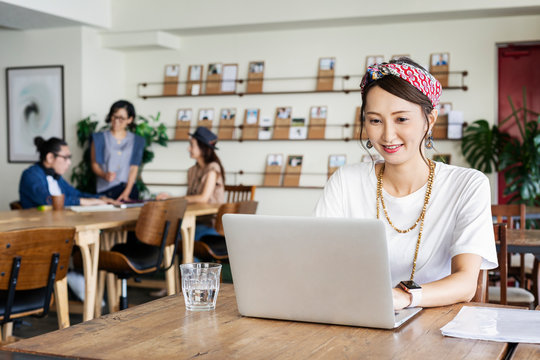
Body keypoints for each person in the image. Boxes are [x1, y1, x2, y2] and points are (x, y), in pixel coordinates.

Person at [314, 57, 497, 310]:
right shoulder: (345, 182)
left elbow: (466, 284)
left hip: (437, 326)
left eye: (401, 119)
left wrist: (403, 297)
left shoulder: (468, 185)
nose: (388, 136)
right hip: (356, 318)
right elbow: (320, 264)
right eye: (375, 120)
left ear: (429, 120)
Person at [157, 126, 225, 232]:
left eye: (192, 145)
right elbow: (191, 197)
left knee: (170, 233)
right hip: (193, 220)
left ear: (203, 148)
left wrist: (171, 198)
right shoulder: (192, 170)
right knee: (165, 230)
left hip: (208, 224)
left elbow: (203, 198)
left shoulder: (213, 169)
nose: (188, 149)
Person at [19, 136, 115, 209]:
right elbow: (48, 200)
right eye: (65, 158)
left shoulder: (57, 177)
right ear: (50, 157)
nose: (69, 162)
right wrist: (83, 202)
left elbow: (76, 194)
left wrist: (100, 198)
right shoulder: (30, 175)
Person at [91, 100, 145, 202]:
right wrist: (104, 175)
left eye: (122, 118)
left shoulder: (137, 140)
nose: (116, 121)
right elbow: (95, 164)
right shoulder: (99, 138)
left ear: (130, 119)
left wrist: (126, 192)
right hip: (107, 190)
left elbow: (134, 168)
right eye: (114, 116)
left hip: (129, 190)